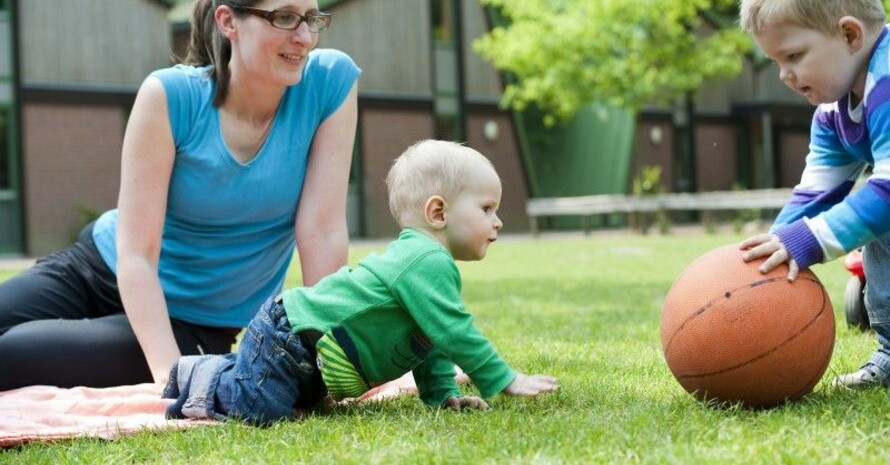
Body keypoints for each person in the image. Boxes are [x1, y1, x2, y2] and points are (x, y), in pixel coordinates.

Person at [0, 0, 360, 390]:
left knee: (11, 355)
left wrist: (322, 353)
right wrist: (171, 379)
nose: (304, 37)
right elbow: (137, 252)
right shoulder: (171, 95)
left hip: (193, 321)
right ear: (228, 22)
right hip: (100, 268)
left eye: (312, 18)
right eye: (284, 17)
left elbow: (321, 229)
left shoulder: (329, 82)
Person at [162, 140, 559, 425]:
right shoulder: (425, 259)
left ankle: (235, 369)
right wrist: (503, 378)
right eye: (487, 208)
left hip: (314, 358)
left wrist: (442, 396)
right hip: (292, 337)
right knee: (261, 412)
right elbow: (454, 331)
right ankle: (201, 374)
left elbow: (432, 338)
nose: (498, 221)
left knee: (304, 407)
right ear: (438, 211)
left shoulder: (428, 265)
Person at [737, 0, 890, 389]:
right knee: (877, 226)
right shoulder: (832, 113)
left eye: (794, 55)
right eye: (776, 62)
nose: (785, 75)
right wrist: (771, 250)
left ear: (850, 34)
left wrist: (807, 240)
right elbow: (815, 193)